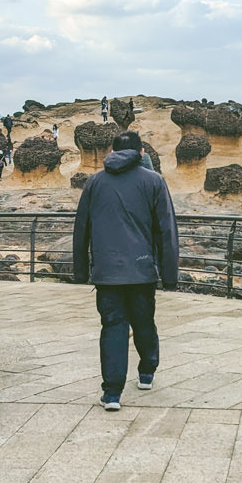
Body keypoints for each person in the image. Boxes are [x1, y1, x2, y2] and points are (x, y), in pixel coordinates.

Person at [73, 130, 179, 412]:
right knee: (144, 321)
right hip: (142, 269)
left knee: (112, 326)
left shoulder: (95, 182)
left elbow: (81, 228)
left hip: (107, 271)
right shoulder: (154, 181)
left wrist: (80, 271)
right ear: (141, 153)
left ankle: (111, 394)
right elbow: (166, 230)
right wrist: (169, 275)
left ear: (113, 152)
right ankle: (146, 373)